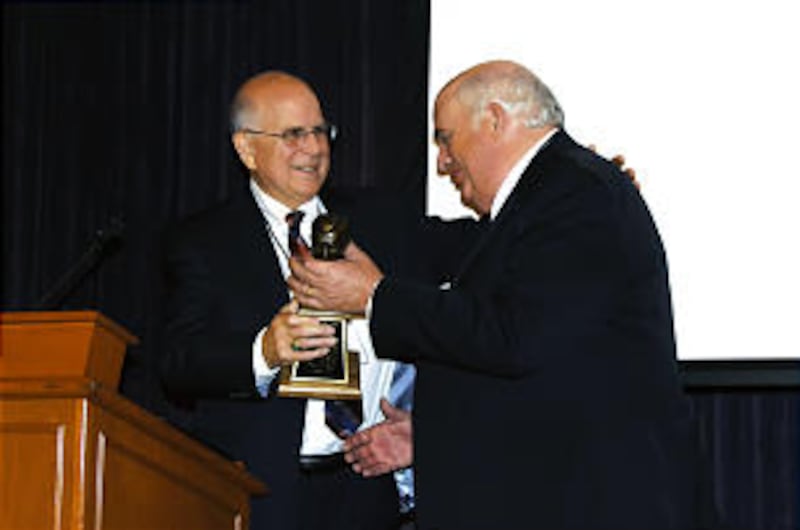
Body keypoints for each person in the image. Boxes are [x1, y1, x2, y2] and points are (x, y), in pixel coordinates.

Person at [289, 60, 713, 529]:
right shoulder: (552, 197)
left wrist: (374, 297)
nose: (442, 162)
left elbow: (515, 337)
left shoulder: (575, 194)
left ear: (494, 119)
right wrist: (433, 436)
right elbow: (537, 376)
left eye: (445, 138)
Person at [161, 70, 425, 529]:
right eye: (293, 134)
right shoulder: (202, 242)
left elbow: (474, 254)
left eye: (321, 130)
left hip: (366, 487)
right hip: (262, 494)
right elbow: (179, 363)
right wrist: (263, 350)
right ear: (246, 148)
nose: (315, 147)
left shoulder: (382, 220)